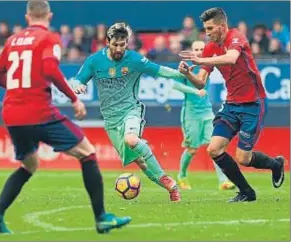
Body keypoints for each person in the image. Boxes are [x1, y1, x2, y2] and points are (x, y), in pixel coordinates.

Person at [0, 0, 131, 234]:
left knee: (29, 164)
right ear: (49, 16)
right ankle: (101, 217)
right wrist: (73, 98)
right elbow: (50, 69)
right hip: (38, 111)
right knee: (88, 152)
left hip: (11, 113)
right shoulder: (49, 38)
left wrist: (15, 87)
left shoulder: (12, 41)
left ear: (27, 16)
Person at [73, 22, 205, 202]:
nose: (119, 48)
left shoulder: (134, 59)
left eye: (123, 44)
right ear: (107, 42)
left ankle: (147, 153)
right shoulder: (95, 61)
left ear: (127, 43)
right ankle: (170, 186)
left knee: (132, 139)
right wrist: (77, 85)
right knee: (141, 163)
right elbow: (76, 79)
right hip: (111, 120)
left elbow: (159, 71)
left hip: (131, 111)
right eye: (115, 44)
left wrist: (182, 74)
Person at [178, 7, 285, 202]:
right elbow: (201, 81)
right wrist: (187, 73)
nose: (208, 33)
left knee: (244, 158)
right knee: (214, 148)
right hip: (232, 105)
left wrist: (201, 58)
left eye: (210, 28)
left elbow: (232, 58)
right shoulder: (210, 48)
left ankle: (276, 164)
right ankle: (246, 192)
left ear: (223, 26)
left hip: (253, 104)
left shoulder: (237, 37)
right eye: (205, 29)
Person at [177, 40, 235, 191]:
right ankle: (182, 175)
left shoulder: (207, 65)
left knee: (215, 146)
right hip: (191, 115)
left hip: (207, 113)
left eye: (201, 49)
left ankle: (223, 181)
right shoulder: (185, 67)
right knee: (192, 149)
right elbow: (175, 85)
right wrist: (195, 91)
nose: (198, 51)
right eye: (196, 49)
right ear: (191, 51)